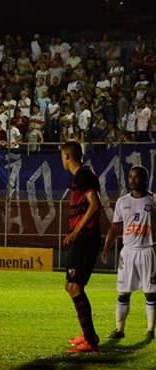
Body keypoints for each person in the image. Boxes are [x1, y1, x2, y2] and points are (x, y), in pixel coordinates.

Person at [103, 166, 156, 340]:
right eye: (130, 176)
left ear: (145, 179)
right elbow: (115, 227)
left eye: (136, 177)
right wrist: (106, 248)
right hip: (128, 252)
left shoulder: (153, 200)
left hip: (148, 251)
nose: (132, 180)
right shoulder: (122, 201)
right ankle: (119, 330)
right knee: (123, 292)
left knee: (150, 292)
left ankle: (150, 331)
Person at [60, 141, 102, 353]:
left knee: (74, 287)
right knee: (71, 286)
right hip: (82, 238)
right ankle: (88, 336)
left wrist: (76, 232)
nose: (62, 160)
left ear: (68, 156)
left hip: (85, 238)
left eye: (62, 156)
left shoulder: (83, 176)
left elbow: (95, 204)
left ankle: (90, 341)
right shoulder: (81, 177)